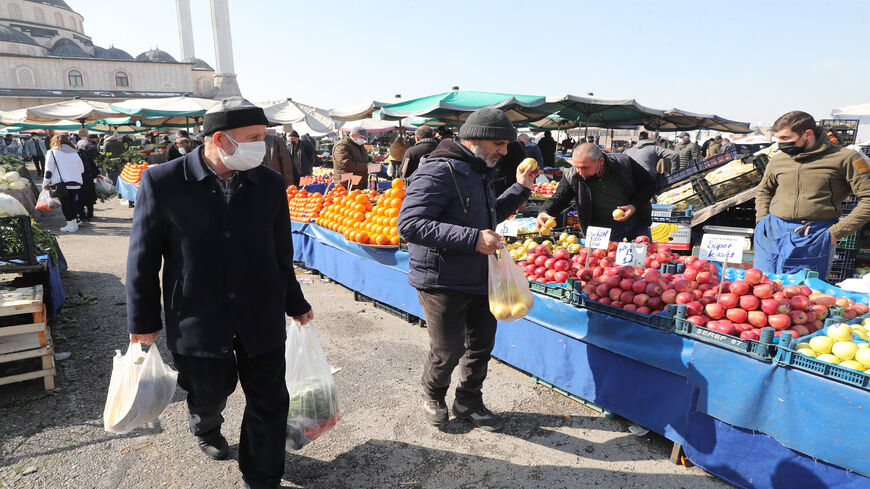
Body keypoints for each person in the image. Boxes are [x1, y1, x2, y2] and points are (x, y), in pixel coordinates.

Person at [125, 97, 313, 489]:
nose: (263, 146)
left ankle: (261, 476)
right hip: (197, 315)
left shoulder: (270, 183)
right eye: (255, 138)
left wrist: (295, 302)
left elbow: (281, 252)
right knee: (209, 391)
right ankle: (206, 425)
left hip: (259, 312)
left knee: (269, 400)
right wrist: (143, 322)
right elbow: (143, 258)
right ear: (221, 140)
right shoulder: (163, 181)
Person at [398, 108, 539, 432]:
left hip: (479, 275)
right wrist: (472, 238)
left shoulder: (477, 170)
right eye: (500, 144)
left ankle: (468, 400)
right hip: (442, 278)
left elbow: (486, 219)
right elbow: (409, 224)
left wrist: (520, 188)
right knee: (447, 349)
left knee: (481, 344)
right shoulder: (437, 170)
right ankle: (433, 394)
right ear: (477, 139)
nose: (504, 152)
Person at [754, 110, 870, 278]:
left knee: (803, 294)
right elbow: (764, 190)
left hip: (814, 235)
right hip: (772, 231)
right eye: (778, 138)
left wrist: (835, 233)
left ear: (807, 134)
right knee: (763, 288)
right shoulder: (778, 159)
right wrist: (762, 221)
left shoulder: (846, 158)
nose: (780, 144)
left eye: (786, 138)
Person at [536, 143, 656, 242]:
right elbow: (559, 198)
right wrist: (545, 211)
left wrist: (634, 205)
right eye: (576, 167)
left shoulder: (624, 163)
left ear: (601, 161)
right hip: (601, 231)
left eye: (585, 168)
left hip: (636, 225)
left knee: (643, 263)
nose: (580, 172)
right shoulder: (572, 175)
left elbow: (649, 184)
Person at [43, 135, 84, 233]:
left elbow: (49, 170)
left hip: (61, 183)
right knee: (72, 203)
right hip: (75, 182)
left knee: (66, 204)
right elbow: (82, 169)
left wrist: (45, 183)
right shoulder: (74, 152)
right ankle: (74, 224)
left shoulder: (52, 152)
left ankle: (70, 225)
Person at [76, 134, 101, 221]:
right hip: (87, 177)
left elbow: (91, 163)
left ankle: (83, 215)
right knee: (88, 197)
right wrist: (96, 173)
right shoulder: (83, 151)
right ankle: (89, 214)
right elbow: (92, 163)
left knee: (82, 198)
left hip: (80, 179)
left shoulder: (78, 151)